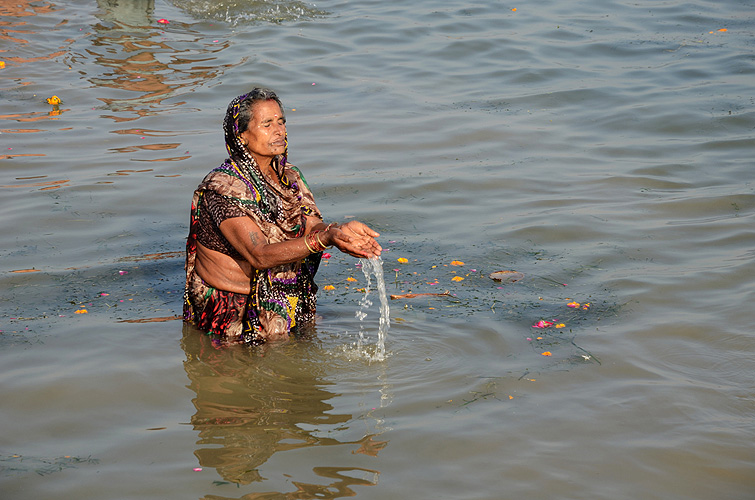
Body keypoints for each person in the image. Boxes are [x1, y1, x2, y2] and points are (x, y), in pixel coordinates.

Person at [184, 88, 381, 345]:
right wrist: (325, 238)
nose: (279, 131)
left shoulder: (290, 177)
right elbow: (260, 254)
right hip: (235, 314)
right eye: (267, 124)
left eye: (281, 122)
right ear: (241, 135)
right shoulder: (222, 189)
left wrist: (339, 232)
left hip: (285, 299)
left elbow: (312, 224)